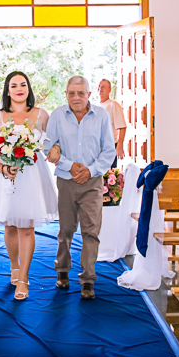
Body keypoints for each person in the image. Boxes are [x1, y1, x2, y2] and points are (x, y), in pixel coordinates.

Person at [0, 71, 57, 301]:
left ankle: (23, 278)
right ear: (7, 90)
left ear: (28, 88)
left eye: (23, 84)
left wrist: (55, 149)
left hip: (32, 175)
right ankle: (14, 266)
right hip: (6, 176)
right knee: (10, 226)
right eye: (14, 85)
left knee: (27, 227)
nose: (19, 89)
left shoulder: (42, 114)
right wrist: (2, 167)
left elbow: (51, 142)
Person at [44, 76, 116, 301]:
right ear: (66, 94)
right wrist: (70, 165)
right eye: (71, 93)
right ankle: (62, 270)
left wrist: (90, 170)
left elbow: (109, 150)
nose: (76, 97)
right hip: (66, 180)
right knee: (66, 229)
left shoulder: (102, 116)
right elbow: (48, 146)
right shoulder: (57, 115)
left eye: (81, 93)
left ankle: (87, 280)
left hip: (92, 182)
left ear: (89, 95)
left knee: (91, 230)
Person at [97, 78, 126, 168]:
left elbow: (122, 127)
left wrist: (120, 145)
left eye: (103, 87)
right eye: (99, 86)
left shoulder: (114, 105)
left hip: (109, 147)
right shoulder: (95, 106)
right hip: (96, 147)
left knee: (109, 173)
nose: (100, 89)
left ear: (109, 89)